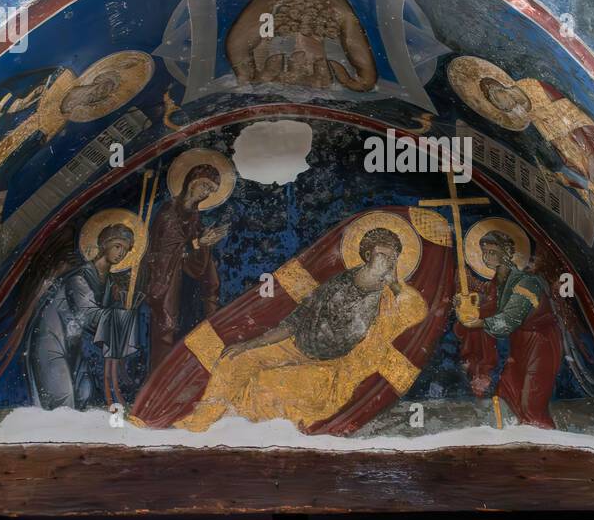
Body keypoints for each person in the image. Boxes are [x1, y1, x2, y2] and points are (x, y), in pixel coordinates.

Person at [176, 227, 425, 431]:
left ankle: (234, 426)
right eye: (382, 255)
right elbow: (296, 321)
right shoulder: (340, 281)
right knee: (235, 360)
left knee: (270, 382)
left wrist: (393, 283)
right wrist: (249, 344)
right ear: (368, 254)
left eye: (392, 257)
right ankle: (201, 423)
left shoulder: (390, 296)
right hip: (295, 347)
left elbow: (416, 311)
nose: (386, 261)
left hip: (331, 367)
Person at [24, 222, 145, 410]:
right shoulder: (78, 278)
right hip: (51, 342)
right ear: (104, 244)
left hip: (74, 346)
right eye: (117, 246)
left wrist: (125, 311)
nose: (121, 253)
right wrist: (120, 316)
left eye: (126, 250)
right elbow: (88, 315)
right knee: (61, 399)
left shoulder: (109, 283)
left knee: (84, 394)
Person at [457, 230, 564, 429]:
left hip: (541, 344)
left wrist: (478, 322)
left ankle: (543, 439)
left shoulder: (526, 282)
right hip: (519, 345)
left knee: (531, 402)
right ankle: (515, 435)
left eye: (493, 251)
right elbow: (488, 310)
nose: (487, 256)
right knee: (507, 389)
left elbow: (508, 320)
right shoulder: (496, 285)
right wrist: (466, 309)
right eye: (484, 251)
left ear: (507, 252)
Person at [141, 163, 227, 367]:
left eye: (211, 191)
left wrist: (204, 243)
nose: (206, 193)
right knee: (168, 333)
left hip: (188, 285)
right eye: (205, 186)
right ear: (192, 182)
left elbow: (193, 257)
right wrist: (198, 243)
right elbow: (165, 252)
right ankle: (161, 382)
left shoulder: (195, 217)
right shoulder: (168, 211)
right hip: (168, 285)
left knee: (188, 329)